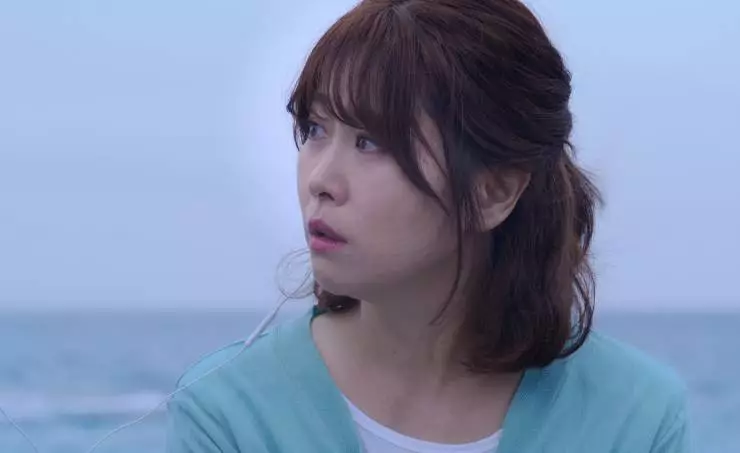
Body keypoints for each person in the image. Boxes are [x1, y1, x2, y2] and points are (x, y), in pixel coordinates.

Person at [165, 0, 691, 452]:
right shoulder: (228, 414)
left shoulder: (636, 419)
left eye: (371, 142)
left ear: (494, 191)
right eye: (315, 129)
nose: (320, 180)